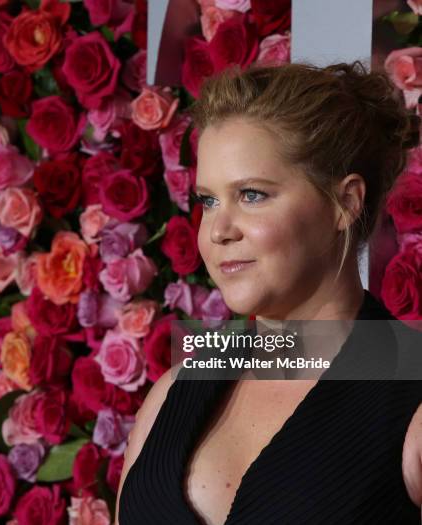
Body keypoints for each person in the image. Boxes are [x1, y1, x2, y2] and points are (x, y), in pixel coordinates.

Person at [115, 61, 422, 524]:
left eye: (252, 195)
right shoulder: (174, 390)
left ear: (346, 203)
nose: (218, 231)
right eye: (209, 200)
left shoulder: (412, 395)